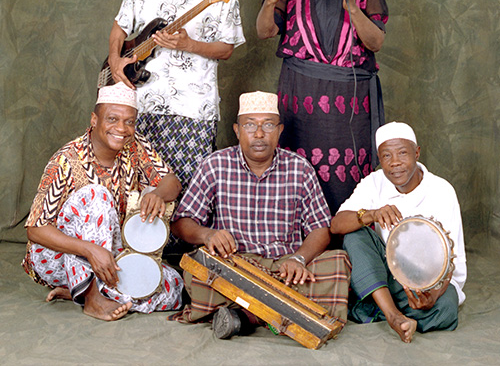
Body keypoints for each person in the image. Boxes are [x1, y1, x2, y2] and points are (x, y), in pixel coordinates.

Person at [168, 91, 351, 341]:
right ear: (237, 130)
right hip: (235, 266)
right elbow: (181, 222)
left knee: (337, 263)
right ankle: (288, 313)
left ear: (279, 130)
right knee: (198, 270)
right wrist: (207, 235)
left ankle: (246, 316)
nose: (259, 134)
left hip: (286, 268)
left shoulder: (300, 168)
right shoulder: (215, 165)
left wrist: (298, 259)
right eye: (250, 125)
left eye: (268, 125)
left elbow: (320, 228)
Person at [107, 0, 245, 192]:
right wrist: (115, 61)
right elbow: (120, 27)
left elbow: (227, 48)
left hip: (195, 108)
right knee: (136, 187)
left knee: (190, 190)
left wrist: (188, 45)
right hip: (141, 102)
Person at [256, 0, 388, 216]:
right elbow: (264, 31)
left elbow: (376, 42)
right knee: (296, 169)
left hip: (349, 102)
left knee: (349, 176)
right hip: (300, 95)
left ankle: (347, 236)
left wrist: (353, 7)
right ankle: (299, 235)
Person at [22, 82, 184, 321]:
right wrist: (89, 249)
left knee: (173, 287)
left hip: (108, 254)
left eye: (129, 121)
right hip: (58, 256)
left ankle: (78, 289)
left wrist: (158, 193)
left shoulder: (134, 146)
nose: (122, 128)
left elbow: (172, 182)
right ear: (94, 120)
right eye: (112, 119)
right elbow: (35, 230)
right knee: (95, 195)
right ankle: (92, 297)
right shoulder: (66, 160)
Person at [330, 122, 467, 343]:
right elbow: (336, 225)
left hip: (427, 280)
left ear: (417, 153)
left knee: (446, 308)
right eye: (386, 156)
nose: (395, 162)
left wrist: (433, 295)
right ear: (379, 159)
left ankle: (375, 307)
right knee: (355, 234)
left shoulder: (442, 191)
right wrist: (371, 214)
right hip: (385, 272)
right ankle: (393, 316)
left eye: (403, 153)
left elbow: (451, 258)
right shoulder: (374, 182)